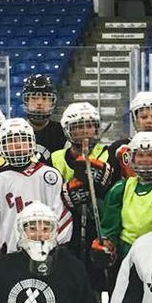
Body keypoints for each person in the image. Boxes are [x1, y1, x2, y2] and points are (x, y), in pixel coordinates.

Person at [0, 118, 73, 254]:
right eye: (11, 141)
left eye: (23, 139)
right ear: (1, 145)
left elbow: (60, 216)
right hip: (10, 253)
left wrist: (57, 247)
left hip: (47, 252)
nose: (17, 145)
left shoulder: (50, 175)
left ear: (32, 142)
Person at [51, 102, 115, 287]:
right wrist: (68, 192)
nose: (84, 131)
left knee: (97, 279)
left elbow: (113, 192)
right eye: (78, 127)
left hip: (98, 224)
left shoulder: (107, 154)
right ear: (67, 130)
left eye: (89, 126)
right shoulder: (55, 158)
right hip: (67, 227)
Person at [98, 131, 152, 271]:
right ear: (130, 158)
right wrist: (107, 245)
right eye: (140, 155)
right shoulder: (120, 188)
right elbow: (110, 228)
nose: (145, 160)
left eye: (150, 155)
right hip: (126, 253)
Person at [21, 74, 67, 154]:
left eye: (45, 98)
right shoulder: (16, 131)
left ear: (52, 102)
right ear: (26, 102)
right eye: (34, 98)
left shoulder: (63, 133)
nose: (39, 103)